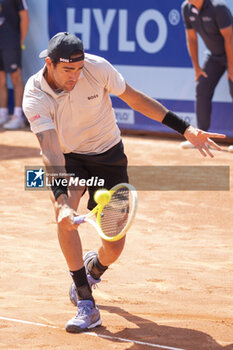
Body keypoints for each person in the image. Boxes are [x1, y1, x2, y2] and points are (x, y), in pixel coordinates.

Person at [22, 32, 225, 333]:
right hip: (69, 157)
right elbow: (51, 150)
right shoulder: (35, 94)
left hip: (108, 156)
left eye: (78, 69)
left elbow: (135, 98)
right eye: (68, 70)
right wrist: (63, 203)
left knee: (114, 246)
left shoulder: (98, 68)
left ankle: (95, 268)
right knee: (63, 218)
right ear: (49, 64)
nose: (75, 76)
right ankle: (85, 300)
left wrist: (185, 129)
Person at [180, 0, 233, 150]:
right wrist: (197, 67)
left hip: (232, 54)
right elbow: (191, 38)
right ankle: (200, 138)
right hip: (214, 57)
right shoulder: (186, 8)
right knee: (202, 87)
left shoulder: (218, 7)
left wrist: (231, 67)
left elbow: (230, 38)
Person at [0, 0, 29, 129]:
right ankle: (3, 114)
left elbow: (25, 18)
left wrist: (19, 41)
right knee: (0, 80)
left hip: (11, 43)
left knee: (16, 78)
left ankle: (18, 116)